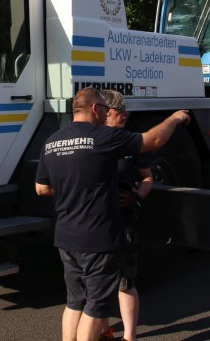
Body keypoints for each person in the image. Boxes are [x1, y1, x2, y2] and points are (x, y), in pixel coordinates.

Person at [35, 87, 190, 341]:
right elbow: (153, 141)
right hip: (98, 238)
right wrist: (174, 118)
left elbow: (41, 188)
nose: (106, 113)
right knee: (94, 308)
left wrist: (73, 189)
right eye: (105, 109)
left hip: (65, 237)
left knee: (74, 302)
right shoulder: (103, 137)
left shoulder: (52, 141)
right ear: (95, 108)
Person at [99, 89, 151, 341]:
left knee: (125, 282)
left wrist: (137, 196)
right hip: (96, 224)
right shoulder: (92, 141)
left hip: (124, 223)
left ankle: (130, 337)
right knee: (96, 284)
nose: (126, 114)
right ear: (105, 113)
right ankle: (104, 330)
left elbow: (148, 177)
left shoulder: (131, 142)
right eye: (121, 111)